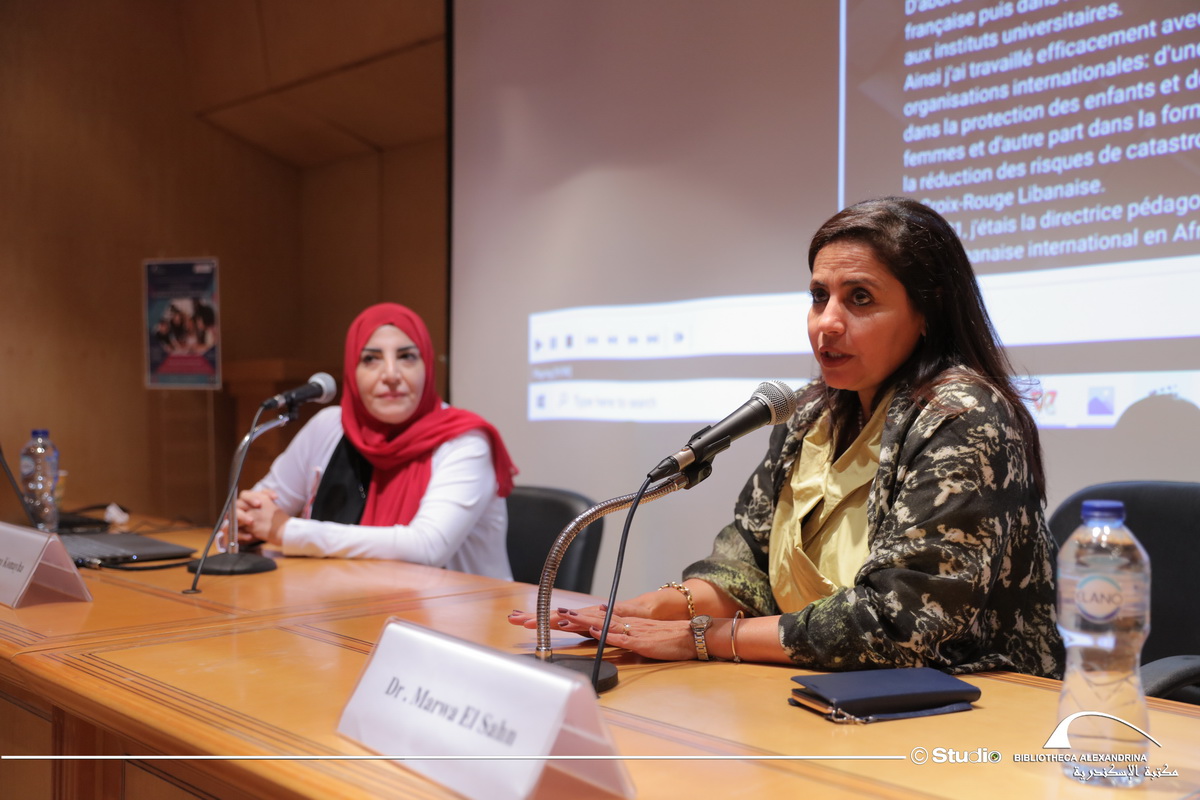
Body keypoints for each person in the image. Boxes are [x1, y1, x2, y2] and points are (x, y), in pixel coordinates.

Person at [510, 197, 1064, 677]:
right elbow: (745, 562)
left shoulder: (963, 416)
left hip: (972, 704)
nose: (827, 322)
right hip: (829, 688)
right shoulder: (810, 414)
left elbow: (902, 623)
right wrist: (644, 612)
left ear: (928, 312)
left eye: (860, 298)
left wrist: (703, 638)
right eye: (819, 296)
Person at [234, 302, 517, 579]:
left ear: (428, 366)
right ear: (352, 370)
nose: (391, 375)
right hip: (346, 598)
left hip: (461, 608)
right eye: (371, 359)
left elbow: (427, 547)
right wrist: (246, 523)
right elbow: (258, 511)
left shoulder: (465, 440)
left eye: (407, 357)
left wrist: (287, 531)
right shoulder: (329, 427)